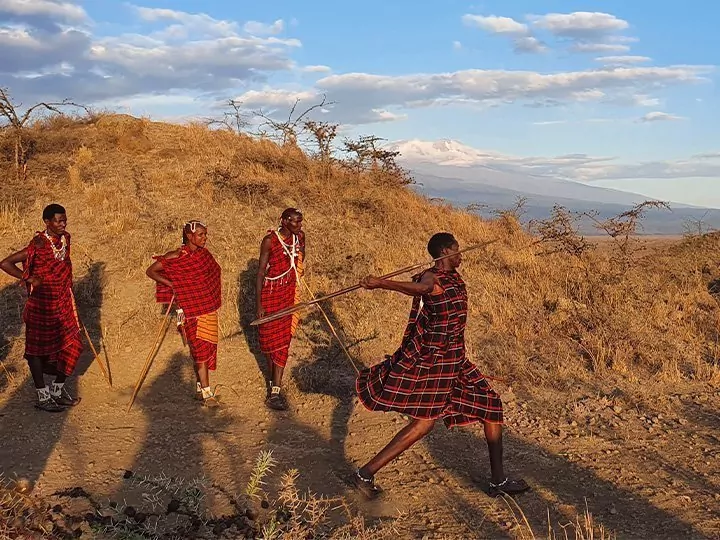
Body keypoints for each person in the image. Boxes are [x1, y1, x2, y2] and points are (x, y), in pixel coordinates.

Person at [352, 232, 529, 498]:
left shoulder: (453, 279)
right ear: (445, 252)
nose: (461, 255)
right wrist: (381, 283)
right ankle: (364, 474)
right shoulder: (431, 278)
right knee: (423, 424)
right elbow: (423, 288)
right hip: (435, 362)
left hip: (455, 359)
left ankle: (498, 482)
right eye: (457, 251)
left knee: (491, 406)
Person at [0, 203, 83, 412]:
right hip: (41, 304)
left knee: (73, 344)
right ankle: (43, 395)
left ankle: (57, 391)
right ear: (47, 222)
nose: (63, 223)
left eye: (64, 219)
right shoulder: (38, 244)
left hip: (62, 301)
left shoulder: (66, 239)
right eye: (58, 220)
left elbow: (64, 266)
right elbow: (6, 263)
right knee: (36, 351)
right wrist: (27, 277)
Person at [146, 220, 222, 408]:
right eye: (201, 235)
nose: (204, 238)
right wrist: (173, 284)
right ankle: (206, 393)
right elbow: (152, 271)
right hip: (189, 310)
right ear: (189, 236)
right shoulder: (176, 256)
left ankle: (199, 388)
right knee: (200, 350)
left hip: (207, 307)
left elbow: (215, 272)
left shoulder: (204, 255)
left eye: (205, 234)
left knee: (206, 348)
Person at [256, 208, 305, 411]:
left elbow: (302, 262)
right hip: (271, 293)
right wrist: (258, 303)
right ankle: (272, 378)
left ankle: (275, 389)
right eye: (294, 222)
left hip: (289, 294)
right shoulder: (270, 240)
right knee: (269, 339)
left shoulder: (300, 237)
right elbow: (260, 272)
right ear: (284, 221)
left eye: (300, 222)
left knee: (283, 341)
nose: (298, 226)